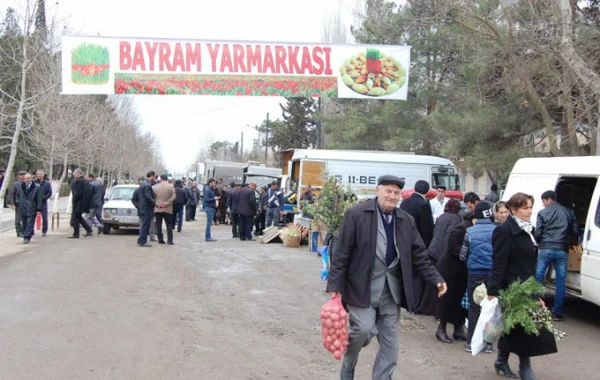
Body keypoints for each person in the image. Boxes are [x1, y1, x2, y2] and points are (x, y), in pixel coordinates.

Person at [326, 175, 447, 380]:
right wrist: (335, 284)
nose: (392, 196)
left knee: (390, 346)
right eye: (388, 191)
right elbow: (342, 252)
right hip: (361, 288)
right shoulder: (356, 214)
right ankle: (348, 364)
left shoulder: (406, 220)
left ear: (401, 195)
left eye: (396, 192)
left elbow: (419, 254)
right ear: (377, 191)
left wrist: (435, 278)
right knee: (363, 330)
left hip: (391, 292)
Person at [488, 192, 557, 380]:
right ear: (513, 209)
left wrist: (536, 287)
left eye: (530, 207)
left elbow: (531, 262)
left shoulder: (530, 230)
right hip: (511, 289)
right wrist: (493, 291)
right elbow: (498, 262)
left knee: (514, 327)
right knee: (523, 328)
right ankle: (524, 366)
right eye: (525, 208)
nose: (529, 211)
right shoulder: (503, 231)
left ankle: (502, 360)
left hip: (528, 287)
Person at [535, 190, 579, 321]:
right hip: (562, 249)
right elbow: (575, 231)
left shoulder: (542, 213)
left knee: (537, 279)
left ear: (548, 199)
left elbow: (538, 233)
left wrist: (540, 242)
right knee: (560, 282)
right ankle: (557, 313)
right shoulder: (569, 212)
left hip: (546, 248)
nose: (543, 205)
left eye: (543, 201)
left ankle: (534, 307)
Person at [433, 202, 474, 345]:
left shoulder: (471, 228)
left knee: (460, 299)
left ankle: (458, 328)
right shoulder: (461, 228)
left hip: (462, 269)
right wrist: (468, 256)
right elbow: (452, 247)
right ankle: (441, 329)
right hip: (450, 268)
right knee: (447, 298)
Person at [418, 199, 462, 316]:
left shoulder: (441, 217)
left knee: (431, 283)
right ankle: (434, 310)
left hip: (432, 249)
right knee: (440, 283)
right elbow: (449, 238)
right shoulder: (456, 220)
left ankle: (425, 307)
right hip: (441, 253)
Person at [463, 202, 496, 354]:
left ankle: (470, 342)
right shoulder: (498, 231)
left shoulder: (469, 231)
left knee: (474, 307)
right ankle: (488, 343)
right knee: (492, 308)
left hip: (474, 273)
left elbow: (462, 255)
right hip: (494, 273)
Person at [399, 179, 435, 312]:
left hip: (402, 241)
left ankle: (406, 301)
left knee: (406, 272)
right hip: (417, 243)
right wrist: (426, 246)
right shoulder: (424, 205)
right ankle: (415, 304)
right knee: (418, 275)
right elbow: (427, 228)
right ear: (427, 191)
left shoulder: (404, 202)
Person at [14, 173, 41, 244]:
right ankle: (27, 234)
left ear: (31, 178)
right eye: (25, 178)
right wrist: (17, 203)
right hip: (22, 208)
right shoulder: (20, 186)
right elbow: (17, 195)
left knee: (30, 223)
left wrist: (38, 209)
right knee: (24, 223)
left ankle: (26, 237)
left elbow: (39, 198)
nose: (26, 180)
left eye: (28, 178)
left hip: (32, 208)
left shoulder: (36, 187)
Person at [69, 169, 93, 238]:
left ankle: (76, 234)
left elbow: (78, 193)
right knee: (79, 217)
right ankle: (89, 230)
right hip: (84, 203)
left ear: (78, 173)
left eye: (74, 174)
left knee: (76, 218)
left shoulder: (79, 181)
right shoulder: (86, 181)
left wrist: (74, 199)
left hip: (78, 203)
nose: (74, 175)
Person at [153, 174, 176, 245]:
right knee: (169, 225)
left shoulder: (155, 187)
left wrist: (158, 203)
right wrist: (166, 203)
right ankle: (170, 240)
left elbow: (153, 197)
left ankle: (160, 239)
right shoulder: (171, 186)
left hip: (158, 208)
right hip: (168, 208)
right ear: (167, 179)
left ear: (161, 179)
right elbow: (174, 196)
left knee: (158, 225)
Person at [137, 171, 157, 247]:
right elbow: (148, 196)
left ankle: (141, 240)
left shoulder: (143, 183)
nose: (155, 178)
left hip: (143, 207)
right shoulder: (147, 185)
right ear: (151, 176)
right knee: (145, 225)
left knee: (144, 225)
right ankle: (143, 241)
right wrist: (155, 203)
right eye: (154, 176)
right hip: (146, 208)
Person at [34, 170, 52, 237]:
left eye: (40, 174)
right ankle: (31, 231)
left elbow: (49, 192)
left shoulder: (47, 183)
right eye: (38, 174)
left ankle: (44, 231)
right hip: (35, 202)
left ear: (43, 175)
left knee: (44, 218)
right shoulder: (34, 182)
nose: (39, 175)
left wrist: (44, 198)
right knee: (32, 217)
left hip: (43, 203)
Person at [9, 170, 27, 237]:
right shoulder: (16, 184)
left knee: (26, 219)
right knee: (18, 220)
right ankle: (19, 232)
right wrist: (12, 203)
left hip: (27, 204)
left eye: (24, 175)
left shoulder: (29, 183)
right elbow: (12, 194)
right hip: (19, 204)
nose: (22, 176)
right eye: (21, 175)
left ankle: (25, 231)